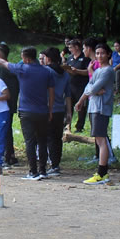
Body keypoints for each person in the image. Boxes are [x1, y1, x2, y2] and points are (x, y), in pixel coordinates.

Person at [0, 47, 55, 181]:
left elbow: (3, 63)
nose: (22, 60)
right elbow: (51, 93)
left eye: (22, 57)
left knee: (30, 142)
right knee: (42, 141)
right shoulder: (47, 71)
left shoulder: (22, 69)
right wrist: (50, 110)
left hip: (27, 111)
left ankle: (33, 171)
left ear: (27, 58)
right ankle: (43, 170)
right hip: (42, 111)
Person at [75, 44, 115, 184]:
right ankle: (101, 171)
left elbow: (93, 88)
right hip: (93, 107)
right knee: (98, 140)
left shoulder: (107, 71)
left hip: (101, 108)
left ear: (108, 54)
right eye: (97, 53)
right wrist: (81, 101)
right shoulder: (98, 70)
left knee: (101, 140)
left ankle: (102, 172)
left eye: (102, 53)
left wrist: (94, 90)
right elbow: (90, 88)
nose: (99, 56)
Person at [42, 47, 71, 176]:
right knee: (57, 138)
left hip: (47, 109)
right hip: (60, 109)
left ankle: (51, 164)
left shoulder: (46, 71)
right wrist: (69, 112)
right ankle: (56, 164)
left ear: (48, 58)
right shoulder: (65, 74)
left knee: (48, 137)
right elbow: (68, 95)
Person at [0, 44, 20, 167]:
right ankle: (10, 155)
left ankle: (1, 156)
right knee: (8, 130)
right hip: (12, 103)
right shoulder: (13, 68)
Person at [64, 39, 91, 132]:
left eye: (71, 47)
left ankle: (79, 127)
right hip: (70, 85)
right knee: (68, 106)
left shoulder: (85, 58)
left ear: (76, 47)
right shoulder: (70, 58)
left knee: (81, 107)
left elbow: (88, 72)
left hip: (81, 86)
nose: (69, 49)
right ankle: (67, 125)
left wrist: (77, 71)